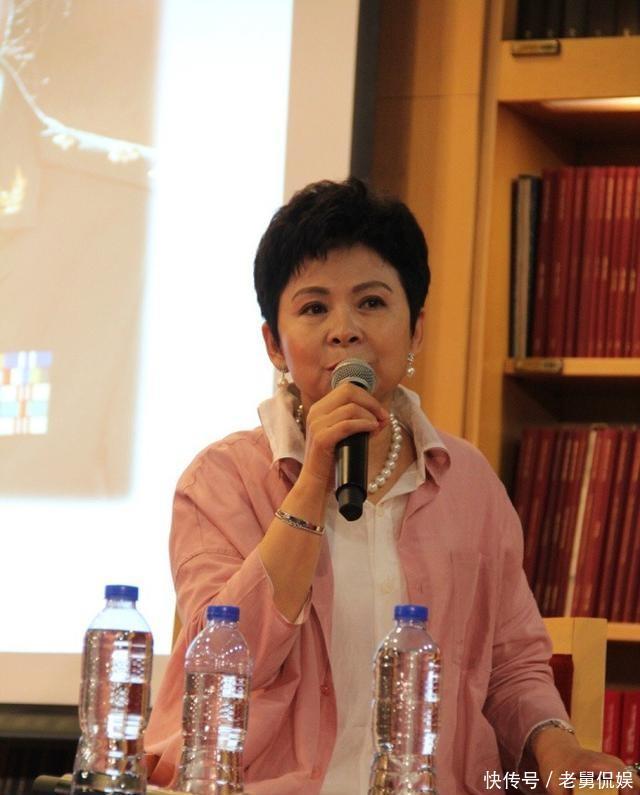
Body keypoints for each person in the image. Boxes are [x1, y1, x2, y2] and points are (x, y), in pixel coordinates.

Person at [144, 177, 639, 794]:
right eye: (314, 308)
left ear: (416, 330)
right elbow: (223, 670)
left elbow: (512, 666)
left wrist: (559, 750)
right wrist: (314, 477)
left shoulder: (469, 484)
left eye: (372, 302)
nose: (344, 329)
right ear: (274, 343)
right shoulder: (220, 481)